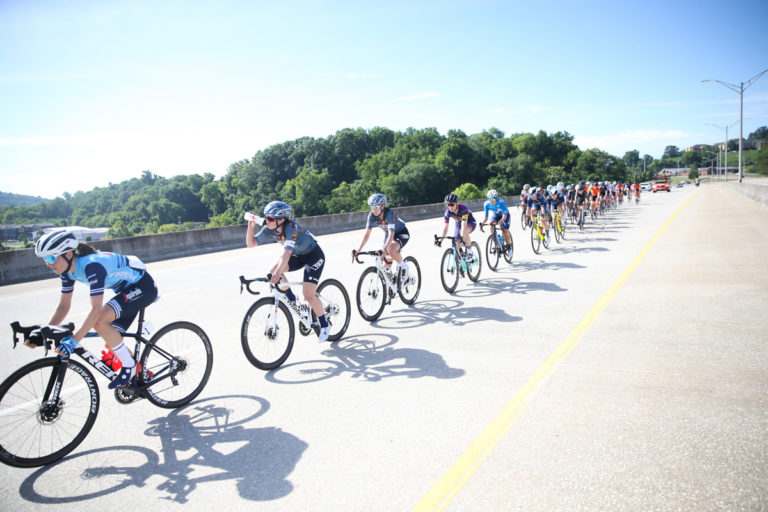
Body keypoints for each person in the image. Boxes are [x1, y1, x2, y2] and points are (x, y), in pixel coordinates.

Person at [29, 229, 158, 389]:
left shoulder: (92, 266)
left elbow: (95, 310)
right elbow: (63, 307)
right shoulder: (67, 272)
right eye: (45, 259)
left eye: (51, 257)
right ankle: (141, 373)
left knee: (99, 321)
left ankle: (130, 367)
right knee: (110, 339)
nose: (49, 263)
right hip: (126, 291)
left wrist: (74, 340)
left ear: (68, 254)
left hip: (143, 288)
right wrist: (44, 333)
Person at [246, 200, 331, 342]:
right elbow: (251, 244)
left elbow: (286, 254)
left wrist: (278, 274)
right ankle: (292, 299)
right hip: (297, 256)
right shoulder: (269, 228)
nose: (267, 220)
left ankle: (324, 324)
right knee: (271, 271)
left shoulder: (291, 228)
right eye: (266, 217)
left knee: (308, 294)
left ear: (282, 219)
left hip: (313, 256)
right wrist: (250, 227)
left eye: (271, 218)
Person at [353, 193, 411, 281]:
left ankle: (404, 267)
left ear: (382, 206)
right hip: (389, 234)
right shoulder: (372, 215)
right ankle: (390, 285)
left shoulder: (389, 213)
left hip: (400, 233)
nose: (374, 210)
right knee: (385, 267)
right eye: (372, 207)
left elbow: (392, 234)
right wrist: (358, 250)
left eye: (376, 207)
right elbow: (367, 234)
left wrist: (385, 249)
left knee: (390, 249)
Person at [436, 193, 477, 262]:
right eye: (448, 204)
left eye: (452, 204)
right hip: (458, 221)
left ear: (457, 204)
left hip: (470, 221)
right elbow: (445, 228)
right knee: (455, 238)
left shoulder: (463, 209)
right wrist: (440, 241)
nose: (450, 207)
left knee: (465, 232)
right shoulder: (447, 212)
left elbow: (464, 224)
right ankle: (461, 257)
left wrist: (463, 240)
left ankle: (470, 253)